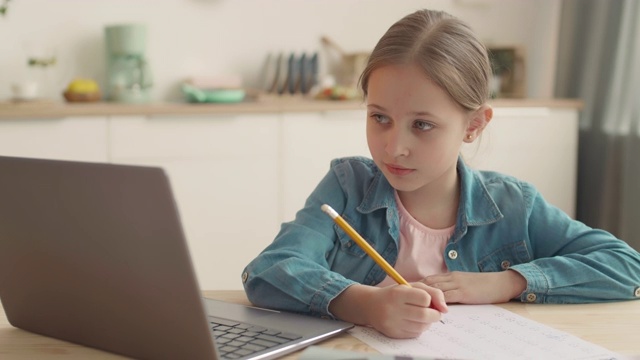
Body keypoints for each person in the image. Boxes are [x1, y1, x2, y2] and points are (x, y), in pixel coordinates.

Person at [241, 9, 640, 339]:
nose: (394, 146)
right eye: (380, 117)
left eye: (422, 125)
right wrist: (364, 304)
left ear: (474, 125)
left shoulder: (513, 205)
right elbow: (268, 271)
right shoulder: (347, 185)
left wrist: (508, 282)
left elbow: (625, 265)